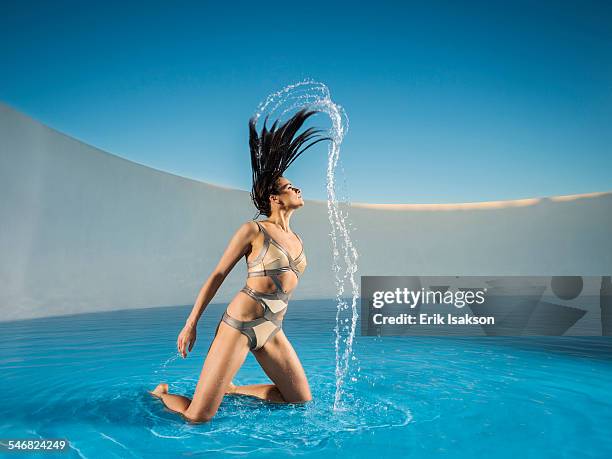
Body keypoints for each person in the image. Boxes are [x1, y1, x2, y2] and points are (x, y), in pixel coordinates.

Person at [149, 108, 330, 423]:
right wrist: (191, 323)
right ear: (274, 199)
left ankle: (232, 390)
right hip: (239, 326)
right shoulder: (253, 230)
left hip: (273, 329)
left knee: (298, 400)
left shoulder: (299, 240)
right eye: (289, 187)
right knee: (198, 416)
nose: (297, 190)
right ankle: (162, 393)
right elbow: (218, 274)